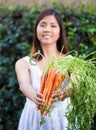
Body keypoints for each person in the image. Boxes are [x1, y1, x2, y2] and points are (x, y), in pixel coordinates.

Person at [15, 8, 73, 130]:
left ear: (60, 31)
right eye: (43, 25)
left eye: (53, 26)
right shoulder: (23, 63)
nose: (47, 29)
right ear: (36, 29)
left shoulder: (71, 61)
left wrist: (65, 92)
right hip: (34, 117)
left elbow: (76, 84)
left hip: (63, 117)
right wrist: (34, 96)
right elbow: (23, 85)